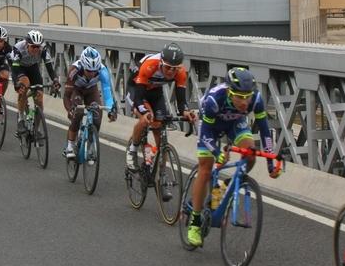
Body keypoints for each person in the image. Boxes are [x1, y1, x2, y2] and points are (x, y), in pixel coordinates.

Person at [185, 67, 278, 248]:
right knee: (206, 168)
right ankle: (195, 222)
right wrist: (217, 153)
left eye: (247, 97)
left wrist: (270, 164)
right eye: (239, 97)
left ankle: (222, 188)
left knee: (250, 155)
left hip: (235, 123)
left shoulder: (256, 99)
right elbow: (205, 134)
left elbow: (265, 131)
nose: (244, 102)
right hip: (210, 127)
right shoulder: (215, 99)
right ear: (229, 92)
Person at [125, 42, 196, 173]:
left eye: (175, 68)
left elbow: (181, 101)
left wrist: (186, 112)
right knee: (146, 118)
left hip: (155, 92)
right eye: (168, 67)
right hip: (137, 90)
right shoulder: (150, 65)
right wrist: (144, 112)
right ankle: (132, 150)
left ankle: (160, 173)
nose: (171, 72)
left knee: (159, 125)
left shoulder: (180, 72)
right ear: (161, 63)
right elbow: (138, 99)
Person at [62, 46, 116, 159]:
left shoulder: (103, 71)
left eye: (94, 71)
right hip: (76, 90)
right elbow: (66, 96)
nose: (92, 73)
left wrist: (111, 110)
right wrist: (69, 109)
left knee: (97, 116)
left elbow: (107, 93)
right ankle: (70, 145)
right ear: (83, 65)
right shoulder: (74, 70)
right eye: (88, 71)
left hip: (91, 90)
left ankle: (90, 145)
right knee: (78, 113)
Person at [8, 29, 59, 138]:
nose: (36, 49)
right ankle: (20, 119)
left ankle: (36, 128)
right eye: (33, 47)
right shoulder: (19, 48)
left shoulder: (43, 49)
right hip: (19, 67)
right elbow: (15, 69)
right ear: (27, 44)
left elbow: (50, 68)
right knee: (25, 84)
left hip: (32, 67)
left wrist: (55, 80)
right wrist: (17, 83)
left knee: (39, 99)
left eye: (38, 47)